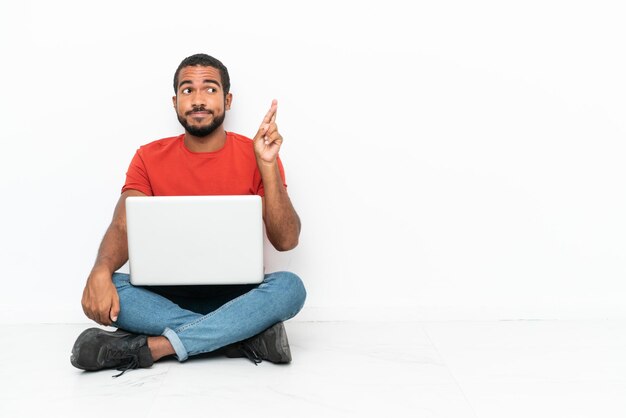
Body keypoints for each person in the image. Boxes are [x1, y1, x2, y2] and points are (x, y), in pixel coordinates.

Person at [70, 54, 306, 376]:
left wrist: (267, 167)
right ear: (175, 101)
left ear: (228, 99)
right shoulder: (148, 156)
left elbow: (286, 240)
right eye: (187, 91)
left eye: (210, 90)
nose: (198, 100)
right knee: (110, 283)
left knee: (290, 287)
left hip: (237, 297)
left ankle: (153, 348)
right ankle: (239, 338)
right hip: (163, 299)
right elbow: (123, 223)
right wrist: (100, 269)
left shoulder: (259, 155)